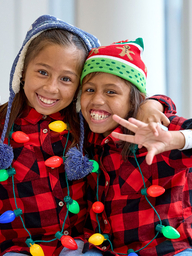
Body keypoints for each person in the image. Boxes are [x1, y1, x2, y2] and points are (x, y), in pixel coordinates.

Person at [0, 15, 177, 256]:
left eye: (66, 79)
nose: (51, 88)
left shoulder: (86, 125)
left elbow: (125, 103)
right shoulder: (3, 126)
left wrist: (153, 104)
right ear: (22, 71)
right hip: (15, 248)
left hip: (76, 246)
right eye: (42, 72)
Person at [79, 38, 192, 256]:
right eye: (89, 89)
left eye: (111, 92)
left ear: (134, 101)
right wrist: (157, 100)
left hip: (170, 251)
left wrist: (175, 139)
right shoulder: (86, 134)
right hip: (107, 250)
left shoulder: (157, 127)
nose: (97, 100)